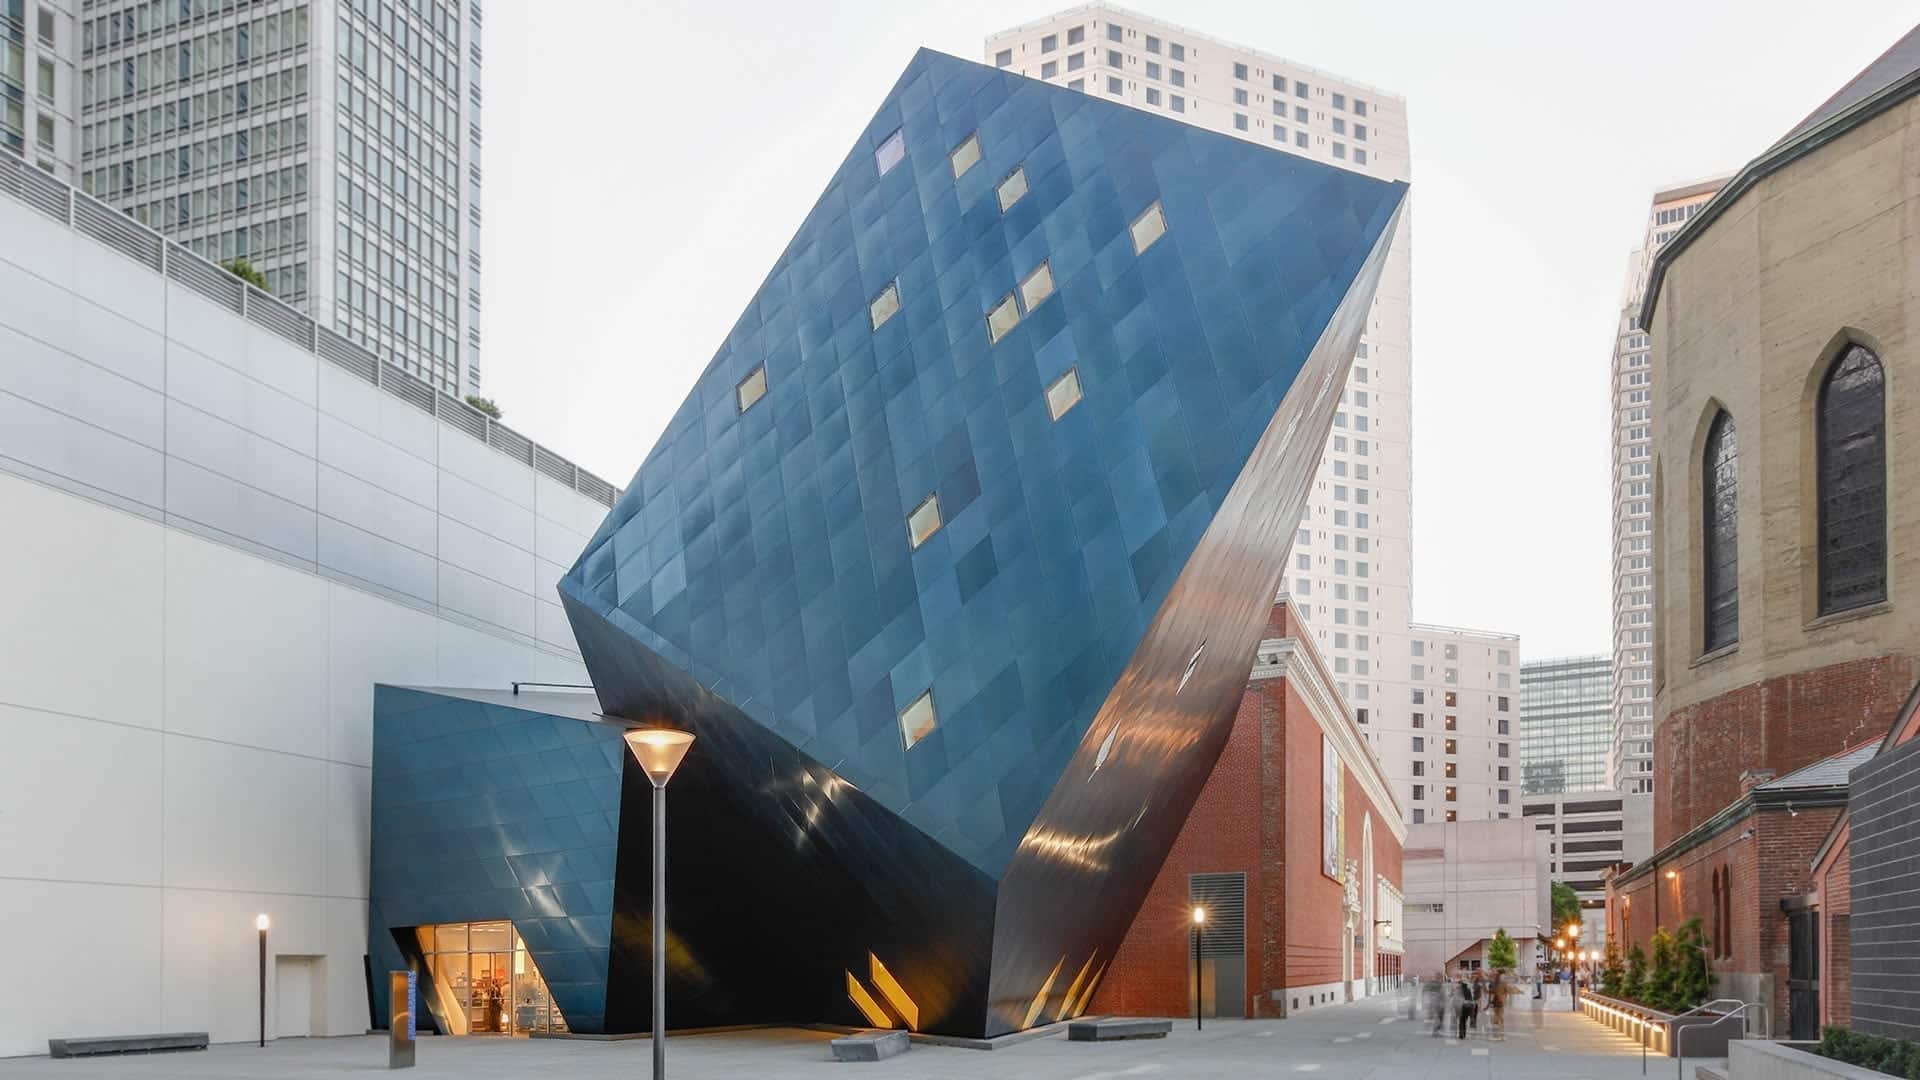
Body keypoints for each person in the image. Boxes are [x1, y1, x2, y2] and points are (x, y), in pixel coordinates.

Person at [1456, 970, 1479, 1040]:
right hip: (1469, 1006)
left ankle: (1461, 1034)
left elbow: (1458, 998)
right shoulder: (1469, 988)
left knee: (1462, 1020)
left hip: (1463, 1006)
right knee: (1464, 1020)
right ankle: (1464, 1034)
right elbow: (1472, 998)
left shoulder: (1460, 989)